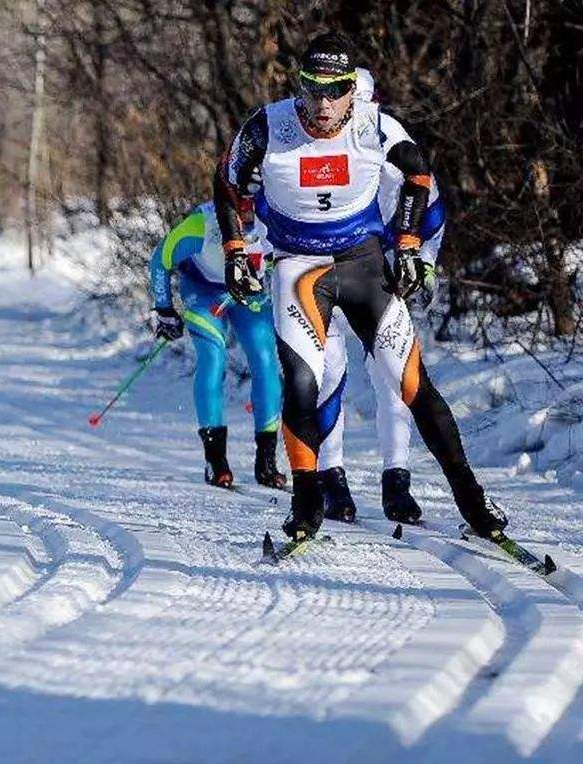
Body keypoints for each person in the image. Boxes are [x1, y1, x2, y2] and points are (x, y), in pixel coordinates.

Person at [212, 32, 507, 540]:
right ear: (299, 86)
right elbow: (227, 180)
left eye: (335, 91)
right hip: (299, 267)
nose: (323, 105)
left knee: (412, 383)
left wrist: (411, 245)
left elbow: (419, 176)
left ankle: (473, 501)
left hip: (363, 264)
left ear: (353, 89)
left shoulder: (376, 126)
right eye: (312, 90)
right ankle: (306, 501)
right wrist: (236, 250)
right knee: (304, 381)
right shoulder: (269, 124)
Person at [315, 67, 445, 524]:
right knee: (328, 370)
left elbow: (432, 215)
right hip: (326, 269)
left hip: (382, 273)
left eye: (366, 109)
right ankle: (331, 481)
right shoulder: (317, 149)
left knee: (393, 377)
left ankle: (397, 483)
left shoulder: (392, 144)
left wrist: (424, 266)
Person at [149, 201, 287, 490]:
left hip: (249, 291)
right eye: (239, 211)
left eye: (253, 209)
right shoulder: (202, 226)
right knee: (213, 358)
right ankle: (216, 460)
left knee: (265, 361)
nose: (248, 217)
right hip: (203, 290)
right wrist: (164, 309)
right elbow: (160, 259)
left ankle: (267, 460)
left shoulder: (274, 215)